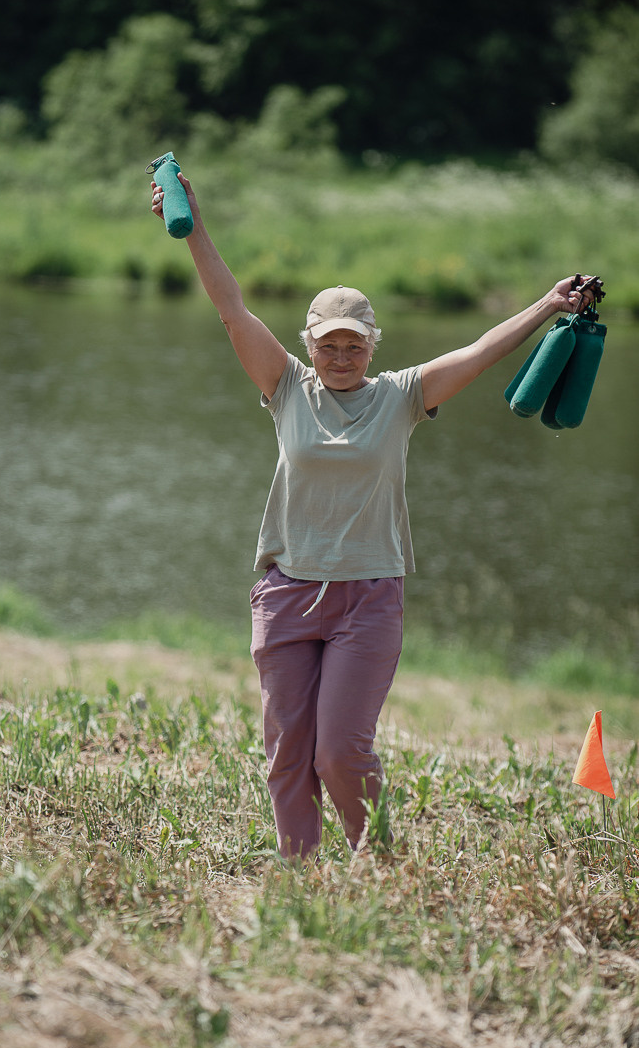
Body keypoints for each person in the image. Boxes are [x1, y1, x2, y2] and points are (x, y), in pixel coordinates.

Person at [151, 170, 597, 861]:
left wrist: (548, 303)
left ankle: (377, 862)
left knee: (340, 753)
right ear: (307, 343)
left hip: (368, 598)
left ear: (372, 343)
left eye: (353, 343)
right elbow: (231, 308)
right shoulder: (284, 386)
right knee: (286, 755)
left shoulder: (402, 396)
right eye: (328, 343)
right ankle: (298, 877)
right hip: (288, 593)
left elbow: (479, 353)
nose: (339, 355)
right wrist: (195, 226)